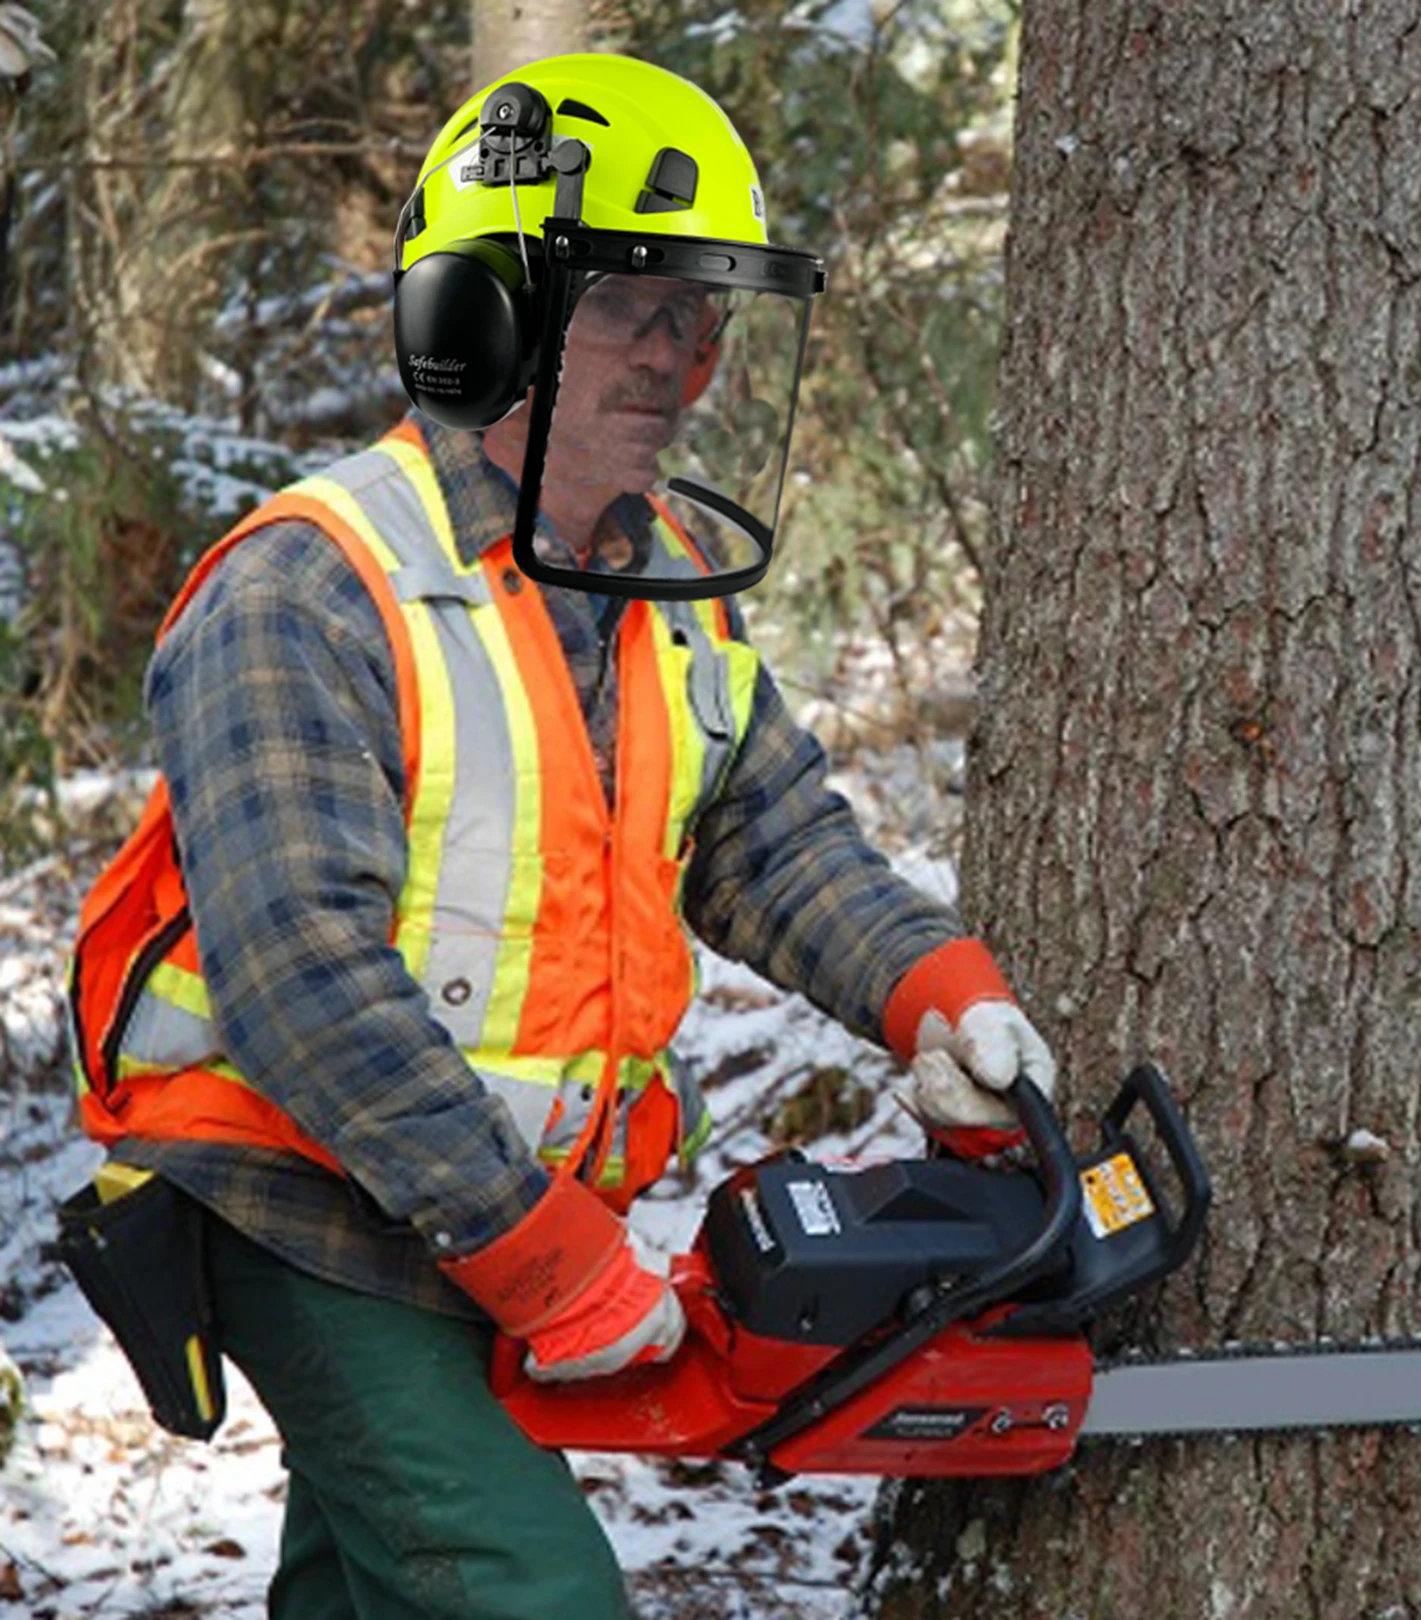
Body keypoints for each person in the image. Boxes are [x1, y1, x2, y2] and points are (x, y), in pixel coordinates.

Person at [65, 53, 1056, 1620]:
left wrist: (939, 994)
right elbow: (303, 976)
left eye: (705, 317)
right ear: (484, 316)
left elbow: (767, 833)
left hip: (470, 1199)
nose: (681, 359)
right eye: (633, 307)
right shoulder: (309, 588)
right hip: (310, 1195)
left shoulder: (653, 579)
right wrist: (545, 1255)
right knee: (523, 1593)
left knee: (373, 1583)